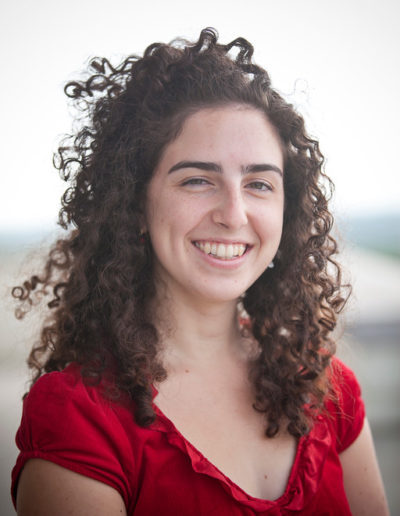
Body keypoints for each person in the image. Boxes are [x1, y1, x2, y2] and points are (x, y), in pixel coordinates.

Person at [11, 28, 388, 515]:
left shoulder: (326, 384)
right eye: (196, 180)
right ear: (135, 205)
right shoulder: (79, 416)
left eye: (259, 184)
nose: (234, 214)